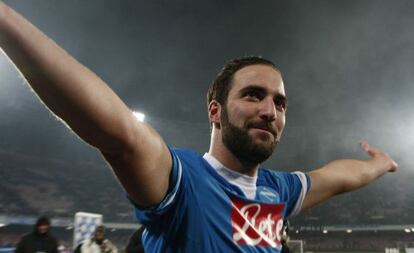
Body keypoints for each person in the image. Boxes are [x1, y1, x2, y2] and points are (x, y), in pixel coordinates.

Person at [0, 3, 398, 252]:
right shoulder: (182, 182)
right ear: (215, 111)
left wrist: (379, 164)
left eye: (279, 102)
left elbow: (338, 177)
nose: (269, 111)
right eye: (253, 95)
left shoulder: (278, 191)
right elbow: (121, 134)